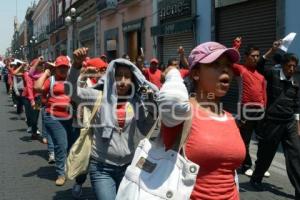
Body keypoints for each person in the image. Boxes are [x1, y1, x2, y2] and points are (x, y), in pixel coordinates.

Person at [66, 47, 159, 200]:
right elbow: (71, 91)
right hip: (102, 168)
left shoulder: (136, 102)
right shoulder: (97, 97)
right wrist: (76, 66)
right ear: (110, 77)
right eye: (118, 76)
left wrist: (152, 105)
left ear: (132, 80)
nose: (122, 81)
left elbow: (148, 125)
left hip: (129, 167)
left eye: (127, 77)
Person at [158, 41, 245, 200]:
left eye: (228, 65)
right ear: (196, 74)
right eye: (215, 64)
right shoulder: (182, 113)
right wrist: (172, 72)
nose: (225, 69)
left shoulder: (230, 118)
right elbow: (171, 97)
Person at [250, 53, 300, 199]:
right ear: (283, 65)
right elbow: (259, 66)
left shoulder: (296, 83)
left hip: (289, 123)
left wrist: (298, 126)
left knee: (296, 154)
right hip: (272, 122)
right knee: (266, 153)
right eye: (289, 66)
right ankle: (256, 178)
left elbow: (297, 106)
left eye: (294, 66)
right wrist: (271, 50)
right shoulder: (273, 75)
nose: (291, 69)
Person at [231, 37, 268, 177]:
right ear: (246, 57)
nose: (256, 58)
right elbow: (230, 61)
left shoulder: (260, 76)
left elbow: (264, 94)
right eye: (253, 56)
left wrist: (265, 108)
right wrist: (236, 46)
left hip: (260, 111)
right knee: (244, 140)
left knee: (262, 140)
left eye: (258, 56)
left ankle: (261, 167)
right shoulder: (240, 70)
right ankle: (246, 165)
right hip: (245, 110)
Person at [71, 57, 107, 199]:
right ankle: (79, 183)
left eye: (105, 69)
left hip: (100, 127)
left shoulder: (106, 83)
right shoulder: (84, 81)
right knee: (84, 157)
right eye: (101, 69)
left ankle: (100, 185)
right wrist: (83, 74)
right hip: (82, 126)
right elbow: (74, 91)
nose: (104, 72)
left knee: (97, 159)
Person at [34, 55, 72, 186]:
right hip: (54, 117)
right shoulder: (51, 80)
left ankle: (68, 167)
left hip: (72, 118)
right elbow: (37, 87)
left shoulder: (72, 79)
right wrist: (45, 73)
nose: (63, 70)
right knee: (61, 145)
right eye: (60, 67)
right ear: (55, 68)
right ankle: (61, 173)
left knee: (71, 146)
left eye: (65, 68)